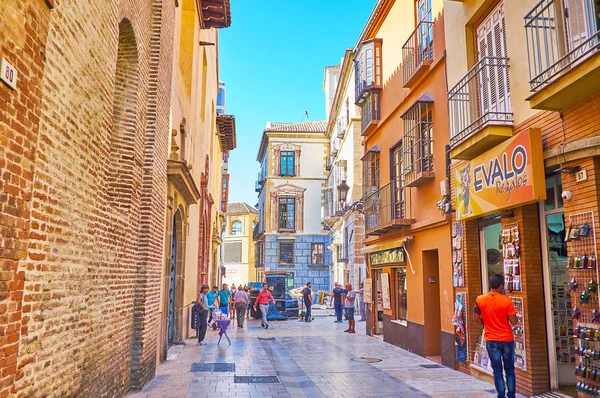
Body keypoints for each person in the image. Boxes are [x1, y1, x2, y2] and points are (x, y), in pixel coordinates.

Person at [473, 274, 518, 398]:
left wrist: (486, 320)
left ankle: (501, 394)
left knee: (497, 370)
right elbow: (513, 321)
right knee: (509, 369)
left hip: (491, 339)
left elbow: (476, 318)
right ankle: (511, 394)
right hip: (507, 339)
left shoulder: (480, 300)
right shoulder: (506, 301)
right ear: (501, 286)